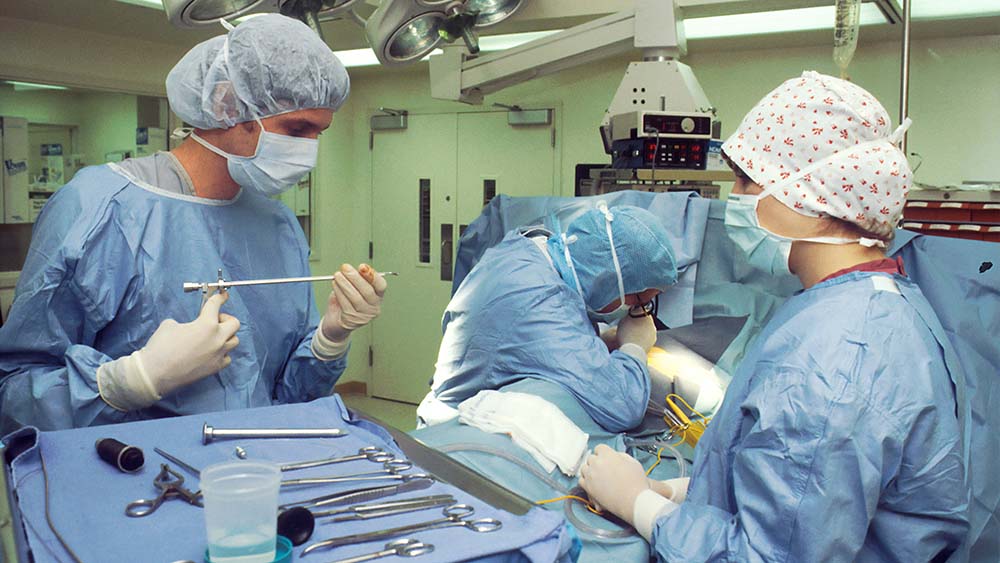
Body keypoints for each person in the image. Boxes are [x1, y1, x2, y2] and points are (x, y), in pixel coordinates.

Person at [579, 71, 970, 561]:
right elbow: (807, 494)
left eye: (747, 180)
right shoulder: (873, 298)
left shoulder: (835, 355)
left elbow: (769, 555)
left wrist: (638, 506)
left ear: (812, 198)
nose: (735, 198)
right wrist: (685, 493)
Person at [0, 15, 386, 433]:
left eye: (319, 134)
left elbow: (282, 399)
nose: (308, 151)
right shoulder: (99, 207)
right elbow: (16, 392)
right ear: (226, 104)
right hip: (128, 473)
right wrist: (134, 380)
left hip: (256, 467)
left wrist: (329, 337)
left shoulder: (277, 222)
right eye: (296, 129)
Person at [417, 202, 678, 432]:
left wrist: (595, 340)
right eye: (640, 301)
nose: (638, 310)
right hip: (456, 439)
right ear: (612, 280)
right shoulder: (542, 303)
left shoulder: (530, 250)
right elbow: (622, 406)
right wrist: (635, 347)